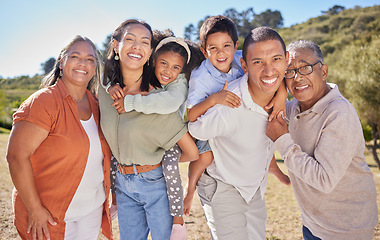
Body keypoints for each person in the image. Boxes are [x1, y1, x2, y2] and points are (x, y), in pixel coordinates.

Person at [266, 40, 378, 240]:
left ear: (323, 71)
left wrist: (282, 140)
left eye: (305, 68)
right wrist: (281, 91)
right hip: (312, 224)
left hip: (346, 230)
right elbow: (250, 63)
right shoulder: (292, 108)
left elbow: (324, 180)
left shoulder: (339, 113)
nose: (297, 77)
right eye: (289, 71)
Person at [98, 19, 197, 240]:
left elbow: (191, 151)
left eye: (144, 41)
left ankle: (179, 222)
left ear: (150, 51)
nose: (136, 46)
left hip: (155, 182)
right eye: (129, 39)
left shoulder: (159, 100)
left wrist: (157, 161)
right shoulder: (104, 93)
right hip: (121, 186)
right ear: (116, 45)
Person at [6, 35, 112, 240]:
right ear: (62, 62)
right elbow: (16, 157)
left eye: (90, 59)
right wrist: (35, 209)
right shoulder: (44, 101)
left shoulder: (98, 105)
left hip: (90, 211)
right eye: (75, 56)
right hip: (50, 214)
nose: (83, 63)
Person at [188, 26, 289, 239]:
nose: (269, 70)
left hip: (253, 186)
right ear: (244, 65)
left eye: (276, 59)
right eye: (258, 62)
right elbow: (194, 125)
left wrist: (282, 91)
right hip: (222, 183)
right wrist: (212, 101)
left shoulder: (282, 98)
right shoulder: (228, 103)